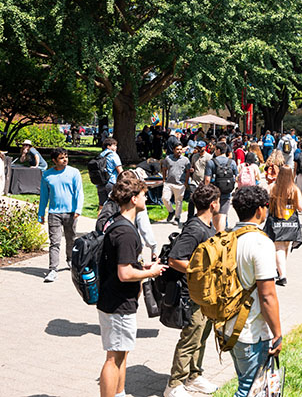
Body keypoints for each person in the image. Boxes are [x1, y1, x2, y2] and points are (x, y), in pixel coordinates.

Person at [97, 175, 168, 397]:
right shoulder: (126, 232)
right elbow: (125, 273)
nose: (146, 200)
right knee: (114, 356)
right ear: (134, 198)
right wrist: (150, 272)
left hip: (116, 300)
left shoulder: (119, 223)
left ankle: (119, 393)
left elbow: (124, 263)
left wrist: (141, 265)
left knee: (121, 353)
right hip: (117, 302)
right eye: (144, 196)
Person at [224, 186, 283, 397]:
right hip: (250, 331)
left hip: (228, 326)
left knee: (246, 383)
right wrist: (277, 334)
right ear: (260, 210)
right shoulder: (260, 242)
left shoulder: (227, 236)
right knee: (249, 390)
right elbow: (267, 295)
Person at [163, 184, 221, 397]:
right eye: (218, 201)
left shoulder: (207, 226)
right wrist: (200, 271)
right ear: (213, 204)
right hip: (192, 293)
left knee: (202, 335)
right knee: (191, 337)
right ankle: (174, 384)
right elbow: (175, 259)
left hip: (205, 293)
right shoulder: (195, 228)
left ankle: (194, 376)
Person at [37, 147, 83, 282]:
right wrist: (41, 213)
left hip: (71, 213)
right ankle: (52, 269)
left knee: (71, 240)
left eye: (66, 157)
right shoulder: (47, 175)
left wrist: (78, 210)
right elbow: (44, 196)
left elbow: (79, 192)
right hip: (54, 213)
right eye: (62, 158)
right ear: (54, 160)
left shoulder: (74, 173)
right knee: (54, 242)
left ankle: (70, 260)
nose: (65, 160)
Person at [265, 165, 302, 287]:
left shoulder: (272, 187)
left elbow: (265, 202)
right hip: (290, 222)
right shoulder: (294, 189)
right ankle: (281, 270)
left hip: (276, 221)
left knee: (279, 248)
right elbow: (301, 207)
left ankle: (282, 275)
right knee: (284, 247)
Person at [203, 142, 238, 232]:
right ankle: (221, 233)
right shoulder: (232, 162)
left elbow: (207, 179)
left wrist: (206, 190)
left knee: (214, 213)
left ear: (218, 150)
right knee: (223, 214)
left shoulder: (211, 162)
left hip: (215, 191)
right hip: (227, 191)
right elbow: (236, 177)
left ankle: (215, 231)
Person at [161, 144, 191, 227]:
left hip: (180, 184)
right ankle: (171, 211)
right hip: (169, 183)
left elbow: (188, 171)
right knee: (165, 198)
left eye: (181, 149)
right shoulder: (168, 158)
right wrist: (164, 179)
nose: (179, 151)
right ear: (173, 150)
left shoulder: (185, 160)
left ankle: (177, 218)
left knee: (178, 202)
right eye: (177, 149)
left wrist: (185, 183)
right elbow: (164, 168)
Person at [96, 138, 124, 211]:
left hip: (100, 183)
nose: (116, 147)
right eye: (114, 145)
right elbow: (120, 170)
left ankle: (100, 221)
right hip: (111, 182)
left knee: (101, 206)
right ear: (108, 146)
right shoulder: (113, 155)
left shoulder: (100, 155)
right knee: (115, 205)